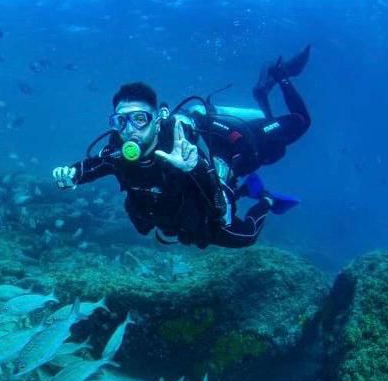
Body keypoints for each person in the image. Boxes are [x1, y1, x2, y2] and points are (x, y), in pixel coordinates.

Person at [52, 47, 312, 248]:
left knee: (246, 235)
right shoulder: (118, 152)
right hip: (196, 194)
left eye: (139, 118)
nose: (130, 129)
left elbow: (218, 208)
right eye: (121, 121)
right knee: (234, 181)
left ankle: (265, 198)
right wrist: (72, 175)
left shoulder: (183, 146)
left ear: (158, 118)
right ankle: (245, 184)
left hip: (233, 144)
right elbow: (95, 165)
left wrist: (196, 167)